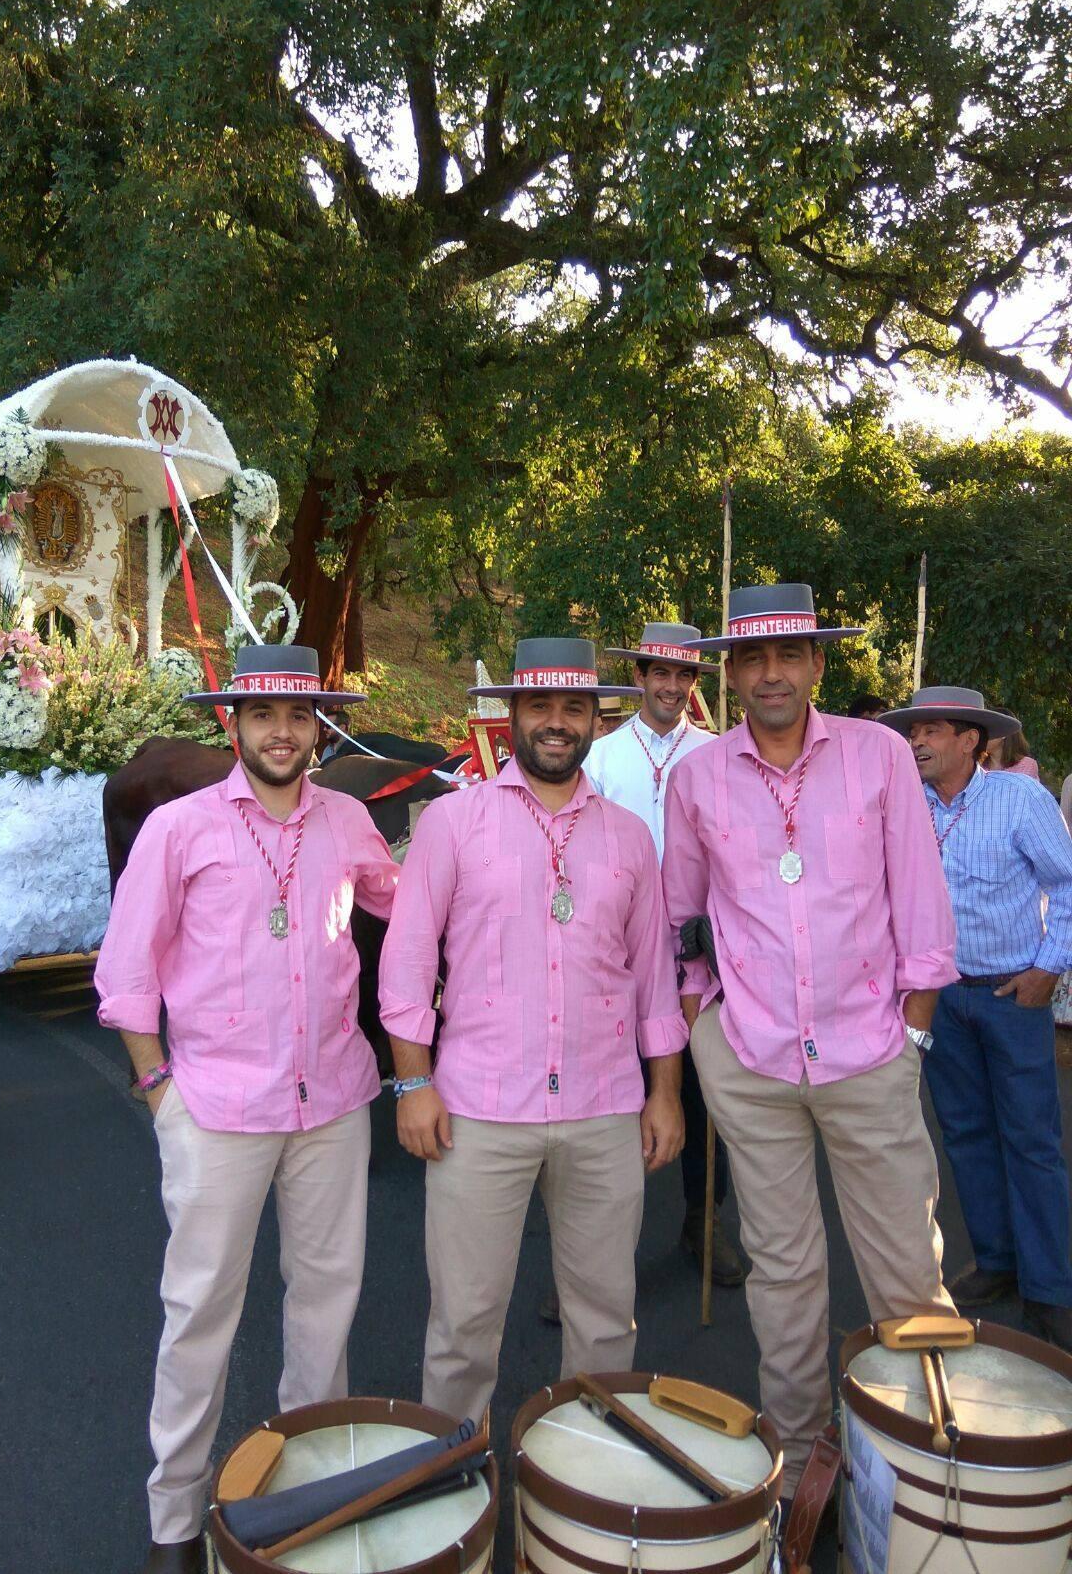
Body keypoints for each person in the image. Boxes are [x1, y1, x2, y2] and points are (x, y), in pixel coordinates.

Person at [95, 645, 397, 1574]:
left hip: (335, 1101)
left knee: (325, 1309)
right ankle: (175, 1521)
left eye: (297, 715)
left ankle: (306, 1494)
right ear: (233, 724)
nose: (280, 731)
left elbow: (411, 899)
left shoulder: (349, 819)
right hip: (216, 1107)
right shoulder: (180, 829)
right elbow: (126, 974)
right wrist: (160, 1094)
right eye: (262, 713)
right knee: (198, 1314)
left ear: (317, 728)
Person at [662, 583, 957, 1505]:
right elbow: (682, 917)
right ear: (732, 671)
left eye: (789, 654)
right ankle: (799, 1462)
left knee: (906, 1263)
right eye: (751, 658)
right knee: (784, 1271)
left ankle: (921, 1455)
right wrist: (706, 1020)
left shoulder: (876, 757)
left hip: (869, 1051)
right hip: (749, 1061)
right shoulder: (699, 776)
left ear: (818, 664)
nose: (771, 672)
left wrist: (913, 1033)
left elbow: (919, 900)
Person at [380, 636, 687, 1426]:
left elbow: (654, 979)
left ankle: (585, 1490)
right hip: (478, 1108)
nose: (558, 722)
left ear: (595, 717)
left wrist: (665, 1096)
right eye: (541, 706)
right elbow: (407, 966)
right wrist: (413, 1084)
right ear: (511, 715)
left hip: (603, 1106)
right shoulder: (453, 822)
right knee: (462, 1327)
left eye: (574, 707)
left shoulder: (629, 836)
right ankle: (450, 1490)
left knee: (604, 1319)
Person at [881, 686, 1072, 1348]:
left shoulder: (1021, 800)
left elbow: (1067, 883)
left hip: (1011, 994)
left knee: (1032, 1141)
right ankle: (997, 1262)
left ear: (971, 740)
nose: (917, 742)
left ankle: (1051, 1288)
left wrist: (1049, 966)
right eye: (913, 732)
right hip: (941, 996)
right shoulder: (904, 806)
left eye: (931, 731)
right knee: (964, 1132)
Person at [585, 620, 744, 1286]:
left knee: (707, 1092)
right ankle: (589, 1255)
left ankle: (701, 1219)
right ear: (642, 675)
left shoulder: (721, 754)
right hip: (616, 950)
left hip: (698, 948)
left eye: (685, 674)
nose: (673, 685)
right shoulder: (599, 756)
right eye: (661, 672)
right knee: (607, 1097)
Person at [983, 715, 1040, 779]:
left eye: (987, 731)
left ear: (1003, 734)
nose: (981, 737)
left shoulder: (1026, 766)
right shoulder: (977, 766)